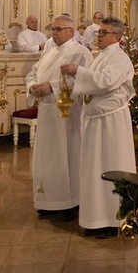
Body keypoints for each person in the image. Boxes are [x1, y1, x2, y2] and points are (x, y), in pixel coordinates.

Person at [61, 17, 135, 239]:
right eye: (99, 32)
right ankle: (95, 217)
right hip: (96, 121)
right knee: (94, 170)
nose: (99, 36)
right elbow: (92, 81)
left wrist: (78, 72)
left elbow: (105, 81)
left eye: (104, 33)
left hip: (111, 123)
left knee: (111, 166)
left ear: (117, 37)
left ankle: (113, 219)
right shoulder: (101, 56)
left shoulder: (120, 58)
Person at [25, 15, 93, 220]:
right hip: (46, 111)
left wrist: (52, 87)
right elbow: (34, 71)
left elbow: (84, 80)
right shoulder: (49, 49)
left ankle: (70, 202)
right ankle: (48, 201)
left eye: (57, 29)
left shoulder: (81, 52)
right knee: (47, 158)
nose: (53, 33)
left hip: (66, 112)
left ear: (71, 31)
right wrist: (32, 86)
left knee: (66, 155)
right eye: (52, 29)